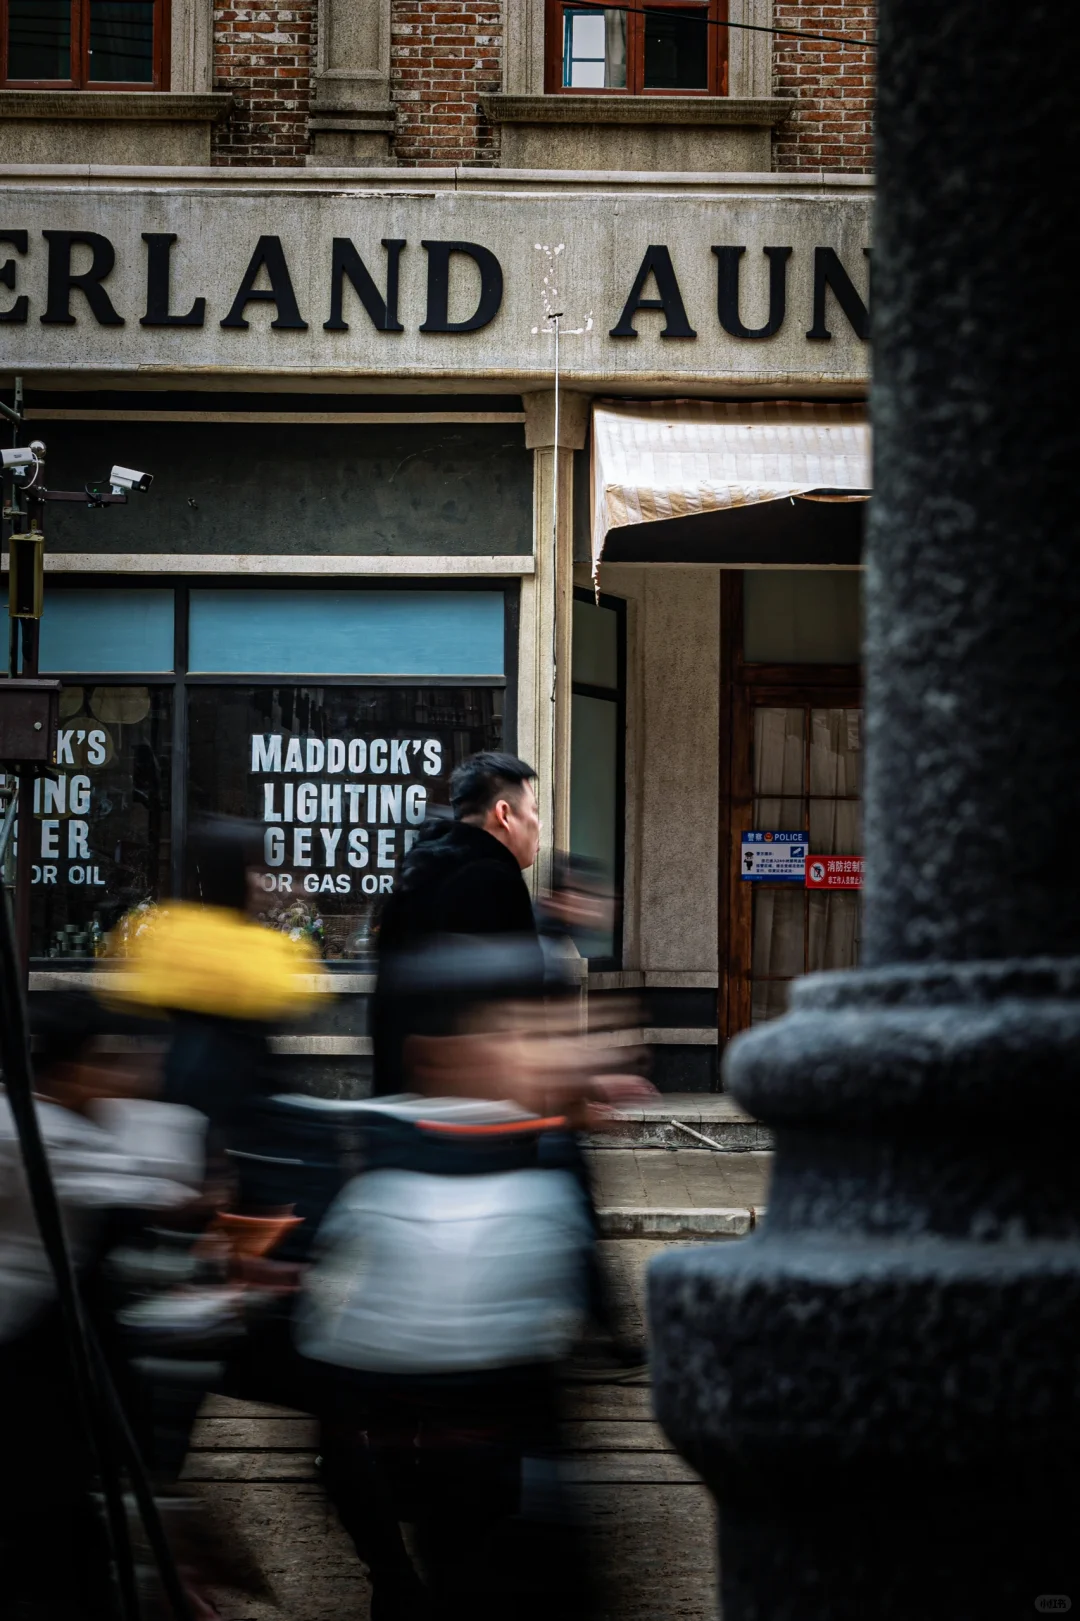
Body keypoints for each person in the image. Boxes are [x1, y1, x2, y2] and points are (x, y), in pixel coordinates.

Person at [0, 990, 194, 1618]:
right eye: (121, 1064)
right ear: (76, 1066)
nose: (139, 1080)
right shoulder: (37, 1134)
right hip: (22, 1358)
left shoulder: (48, 1123)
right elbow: (155, 1191)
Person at [372, 751, 543, 1098]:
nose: (539, 825)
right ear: (505, 814)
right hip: (472, 1116)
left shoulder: (421, 873)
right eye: (535, 812)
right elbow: (505, 1012)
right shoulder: (493, 881)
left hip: (405, 1104)